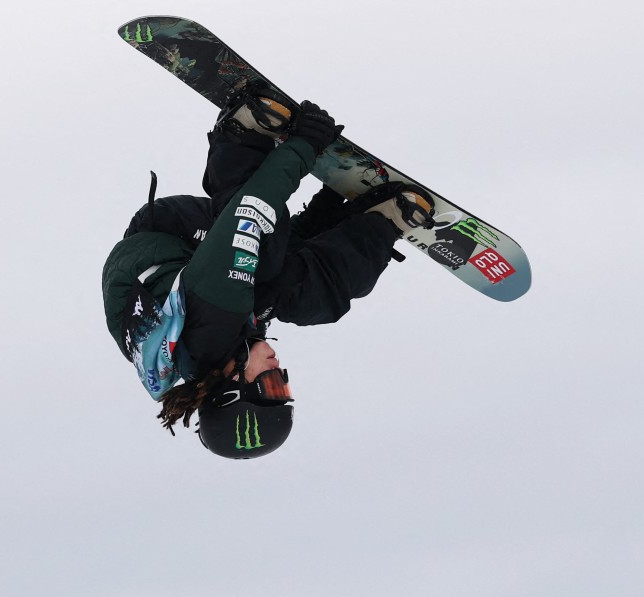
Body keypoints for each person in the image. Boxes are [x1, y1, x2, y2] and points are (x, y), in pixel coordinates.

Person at [102, 88, 436, 459]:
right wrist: (331, 208)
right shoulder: (221, 348)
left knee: (262, 251)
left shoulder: (211, 322)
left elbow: (250, 216)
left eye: (271, 386)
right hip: (200, 269)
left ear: (231, 388)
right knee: (307, 300)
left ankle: (245, 132)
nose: (280, 372)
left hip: (167, 233)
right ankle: (378, 222)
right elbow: (280, 278)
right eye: (284, 388)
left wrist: (304, 145)